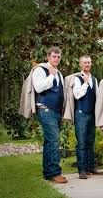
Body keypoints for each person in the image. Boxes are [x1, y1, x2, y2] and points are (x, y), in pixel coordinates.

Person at [32, 46, 67, 183]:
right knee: (54, 140)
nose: (56, 59)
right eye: (54, 56)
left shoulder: (59, 73)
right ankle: (54, 173)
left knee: (49, 142)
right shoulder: (40, 70)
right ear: (48, 57)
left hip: (56, 111)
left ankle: (48, 173)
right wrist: (51, 75)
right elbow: (39, 88)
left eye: (58, 57)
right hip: (45, 109)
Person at [73, 55, 103, 179]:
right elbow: (77, 95)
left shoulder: (94, 79)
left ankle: (91, 167)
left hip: (92, 115)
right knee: (81, 143)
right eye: (85, 62)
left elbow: (98, 97)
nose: (87, 64)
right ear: (80, 64)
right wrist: (85, 83)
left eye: (89, 62)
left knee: (91, 142)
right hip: (81, 114)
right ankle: (82, 170)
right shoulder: (77, 79)